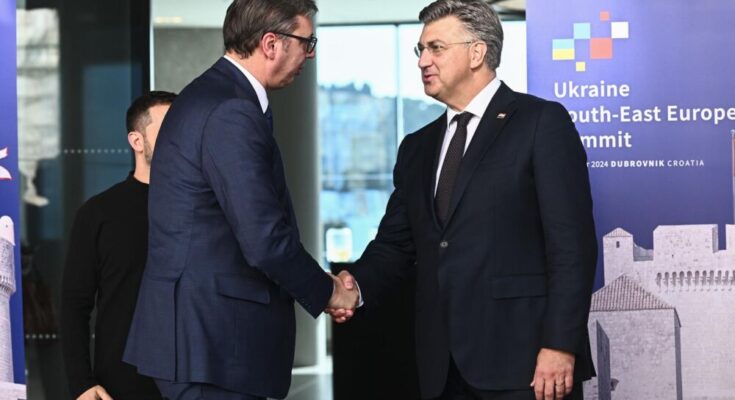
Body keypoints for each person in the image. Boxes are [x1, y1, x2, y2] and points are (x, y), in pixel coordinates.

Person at [329, 1, 597, 399]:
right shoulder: (416, 147)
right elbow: (396, 244)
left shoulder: (541, 123)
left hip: (526, 363)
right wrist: (353, 287)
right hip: (442, 368)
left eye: (436, 48)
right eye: (420, 49)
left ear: (477, 53)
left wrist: (560, 344)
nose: (423, 61)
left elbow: (572, 247)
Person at [123, 1, 357, 399]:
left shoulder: (208, 95)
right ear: (271, 44)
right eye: (307, 41)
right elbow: (264, 239)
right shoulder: (231, 109)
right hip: (211, 344)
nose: (310, 54)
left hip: (199, 340)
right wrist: (330, 291)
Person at [61, 91, 176, 400]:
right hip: (122, 386)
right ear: (137, 141)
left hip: (196, 384)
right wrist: (81, 383)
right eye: (168, 129)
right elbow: (74, 305)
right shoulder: (98, 214)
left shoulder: (205, 209)